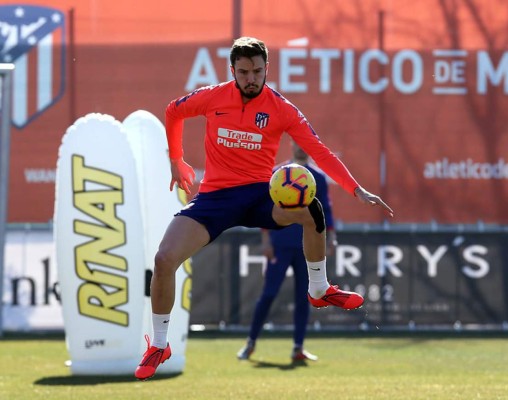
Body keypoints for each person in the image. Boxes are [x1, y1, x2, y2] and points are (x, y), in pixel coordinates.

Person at [135, 36, 393, 380]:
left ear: (267, 68)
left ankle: (319, 289)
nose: (251, 78)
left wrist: (355, 188)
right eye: (243, 72)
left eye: (257, 70)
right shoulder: (214, 97)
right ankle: (160, 344)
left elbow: (319, 151)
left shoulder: (281, 109)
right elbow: (174, 111)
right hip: (216, 198)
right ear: (233, 70)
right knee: (164, 259)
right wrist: (177, 160)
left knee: (311, 209)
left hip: (260, 196)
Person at [237, 142, 337, 362]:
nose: (302, 147)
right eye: (297, 143)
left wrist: (331, 238)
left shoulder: (317, 178)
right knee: (269, 294)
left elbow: (325, 211)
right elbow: (265, 209)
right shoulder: (278, 174)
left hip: (306, 247)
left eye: (305, 144)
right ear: (291, 145)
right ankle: (250, 343)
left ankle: (298, 347)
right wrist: (266, 240)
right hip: (280, 243)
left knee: (305, 297)